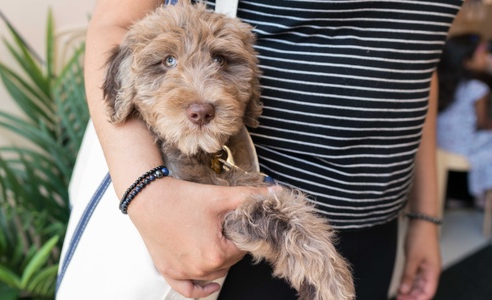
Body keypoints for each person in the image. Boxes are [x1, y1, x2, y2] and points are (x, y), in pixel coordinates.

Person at [78, 1, 462, 299]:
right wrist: (148, 193)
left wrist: (426, 217)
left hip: (379, 219)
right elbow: (116, 25)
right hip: (239, 229)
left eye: (220, 60)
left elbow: (416, 62)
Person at [437, 33, 492, 207]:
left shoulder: (441, 83)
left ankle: (458, 196)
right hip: (463, 147)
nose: (488, 58)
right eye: (484, 54)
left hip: (439, 145)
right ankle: (483, 196)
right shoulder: (478, 88)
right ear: (467, 61)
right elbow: (482, 123)